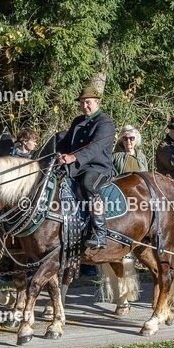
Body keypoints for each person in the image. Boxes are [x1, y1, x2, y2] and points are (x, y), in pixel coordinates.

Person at [55, 84, 117, 249]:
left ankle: (100, 233)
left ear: (97, 102)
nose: (84, 106)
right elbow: (66, 142)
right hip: (76, 167)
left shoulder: (105, 123)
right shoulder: (77, 121)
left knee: (88, 184)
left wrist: (74, 157)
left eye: (88, 102)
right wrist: (59, 154)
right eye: (82, 103)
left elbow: (95, 148)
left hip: (99, 168)